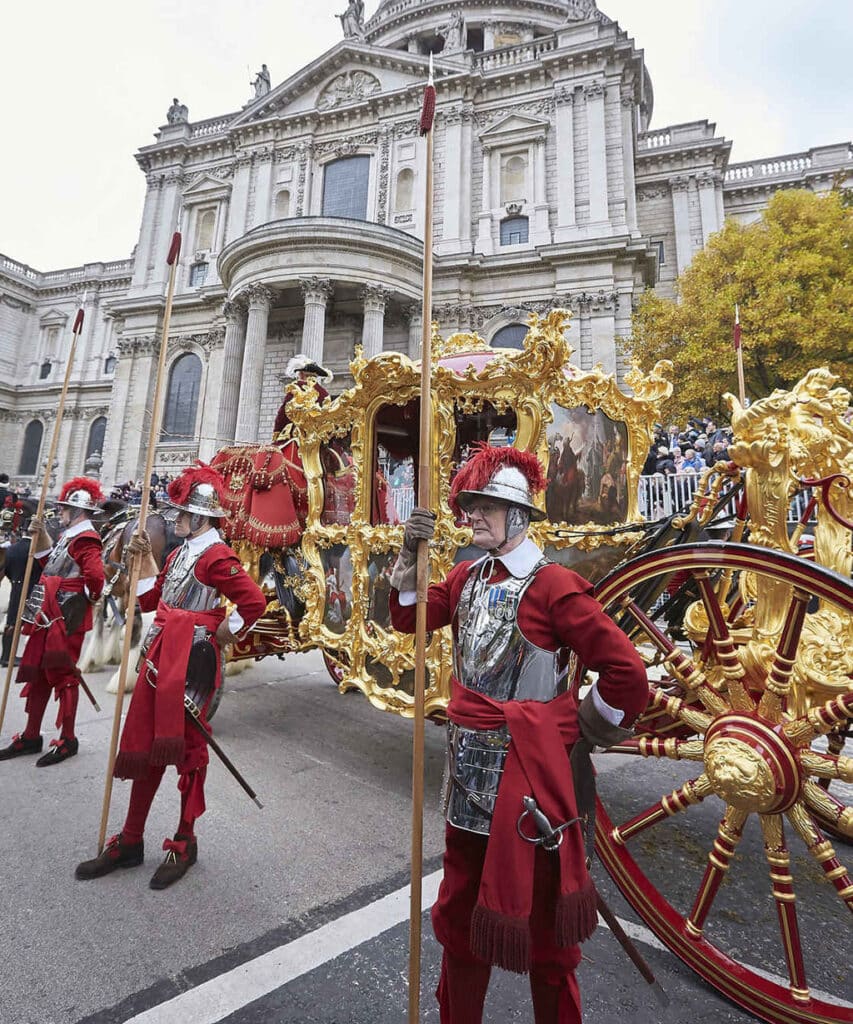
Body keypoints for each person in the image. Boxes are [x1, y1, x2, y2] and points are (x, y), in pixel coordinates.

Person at [389, 445, 647, 1024]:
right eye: (470, 504)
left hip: (533, 786)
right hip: (467, 779)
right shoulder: (465, 575)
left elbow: (626, 672)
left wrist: (577, 729)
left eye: (487, 505)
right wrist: (410, 559)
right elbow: (412, 619)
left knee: (548, 934)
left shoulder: (554, 586)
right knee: (459, 920)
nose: (473, 514)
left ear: (520, 516)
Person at [75, 463, 266, 890]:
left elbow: (253, 603)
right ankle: (131, 838)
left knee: (187, 749)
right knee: (145, 744)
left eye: (181, 513)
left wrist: (223, 631)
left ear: (199, 518)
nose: (175, 519)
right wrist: (142, 559)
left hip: (192, 661)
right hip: (160, 654)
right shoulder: (180, 553)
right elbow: (151, 600)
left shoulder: (217, 554)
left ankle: (185, 839)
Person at [0, 478, 105, 766]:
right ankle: (31, 735)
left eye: (65, 507)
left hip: (65, 618)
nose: (60, 510)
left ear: (78, 511)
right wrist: (41, 532)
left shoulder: (85, 539)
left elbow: (96, 579)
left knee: (63, 677)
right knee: (39, 675)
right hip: (48, 614)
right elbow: (50, 563)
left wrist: (79, 601)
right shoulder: (70, 535)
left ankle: (68, 739)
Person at [273, 354, 333, 440]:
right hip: (318, 438)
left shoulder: (296, 388)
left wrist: (277, 431)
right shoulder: (325, 393)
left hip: (296, 436)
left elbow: (283, 414)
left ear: (301, 374)